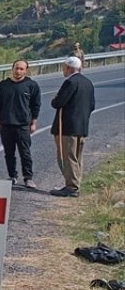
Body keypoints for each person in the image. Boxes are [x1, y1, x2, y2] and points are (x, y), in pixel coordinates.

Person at [49, 56, 96, 197]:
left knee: (67, 157)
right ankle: (75, 184)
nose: (64, 70)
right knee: (77, 157)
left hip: (67, 127)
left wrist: (54, 99)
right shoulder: (88, 83)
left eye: (64, 67)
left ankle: (71, 187)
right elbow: (92, 106)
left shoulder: (70, 82)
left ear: (68, 67)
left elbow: (58, 103)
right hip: (82, 127)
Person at [0, 59, 40, 188]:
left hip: (23, 125)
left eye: (21, 69)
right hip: (6, 124)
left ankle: (28, 178)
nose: (18, 71)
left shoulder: (31, 85)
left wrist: (34, 123)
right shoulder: (3, 85)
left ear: (26, 70)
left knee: (25, 153)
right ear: (12, 69)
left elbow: (36, 105)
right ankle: (12, 176)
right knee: (9, 153)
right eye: (16, 68)